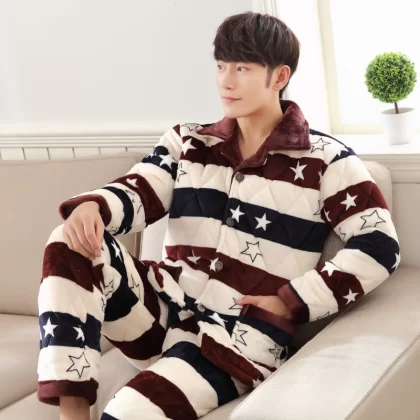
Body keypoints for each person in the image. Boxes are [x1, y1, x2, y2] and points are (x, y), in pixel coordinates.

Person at [37, 11, 401, 420]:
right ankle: (73, 411)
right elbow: (140, 189)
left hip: (237, 339)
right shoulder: (189, 142)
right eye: (221, 66)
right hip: (161, 311)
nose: (226, 81)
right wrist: (94, 205)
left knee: (127, 413)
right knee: (66, 239)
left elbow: (379, 246)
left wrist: (292, 302)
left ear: (279, 77)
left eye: (242, 68)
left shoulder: (326, 160)